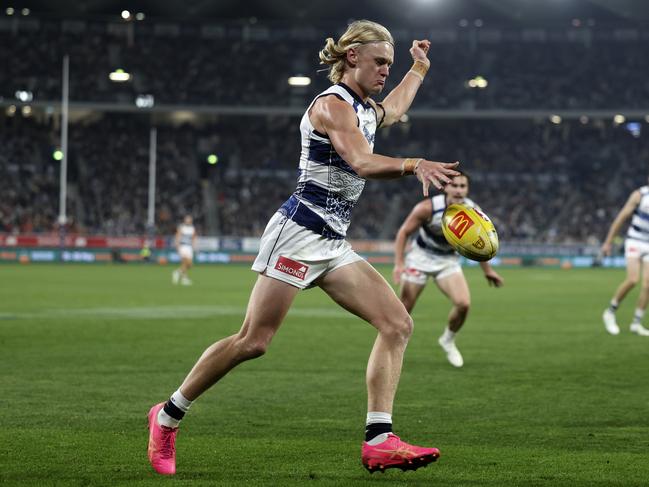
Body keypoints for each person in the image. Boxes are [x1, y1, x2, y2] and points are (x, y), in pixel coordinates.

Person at [147, 19, 461, 476]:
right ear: (352, 57)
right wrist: (413, 164)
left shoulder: (364, 107)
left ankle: (379, 440)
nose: (384, 72)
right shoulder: (332, 106)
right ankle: (168, 415)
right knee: (253, 341)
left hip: (331, 241)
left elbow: (392, 110)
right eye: (380, 62)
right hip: (297, 233)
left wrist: (418, 68)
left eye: (389, 65)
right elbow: (360, 160)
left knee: (397, 324)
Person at [392, 172, 503, 368]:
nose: (459, 190)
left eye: (463, 186)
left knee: (463, 304)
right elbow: (403, 233)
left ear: (467, 189)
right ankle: (394, 347)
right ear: (446, 188)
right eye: (455, 186)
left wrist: (488, 271)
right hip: (420, 258)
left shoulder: (473, 211)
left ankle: (448, 340)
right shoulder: (427, 208)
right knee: (404, 309)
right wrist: (399, 264)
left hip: (448, 261)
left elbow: (481, 244)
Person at [601, 182, 649, 336]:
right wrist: (608, 242)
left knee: (648, 285)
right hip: (634, 240)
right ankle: (610, 312)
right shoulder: (639, 195)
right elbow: (621, 218)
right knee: (633, 279)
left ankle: (636, 323)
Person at [172, 215, 197, 286]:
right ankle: (184, 279)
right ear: (185, 220)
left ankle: (177, 272)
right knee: (184, 262)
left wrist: (194, 246)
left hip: (189, 247)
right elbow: (177, 236)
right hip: (182, 246)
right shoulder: (182, 227)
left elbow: (194, 238)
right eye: (187, 219)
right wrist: (177, 246)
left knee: (190, 264)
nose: (188, 221)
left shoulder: (192, 228)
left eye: (189, 219)